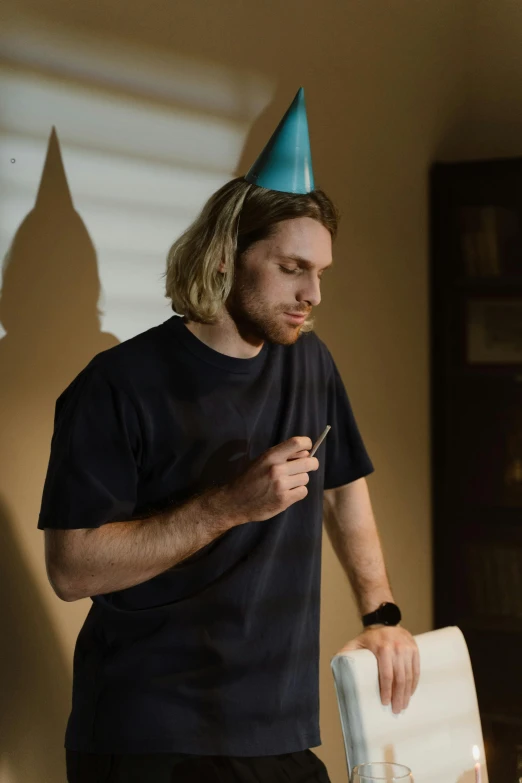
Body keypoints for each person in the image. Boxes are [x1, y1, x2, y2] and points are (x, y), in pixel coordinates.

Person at [38, 89, 420, 783]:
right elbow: (72, 568)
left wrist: (383, 612)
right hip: (150, 737)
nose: (313, 294)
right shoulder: (118, 385)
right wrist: (231, 504)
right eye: (291, 268)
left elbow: (342, 488)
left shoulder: (311, 361)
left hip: (278, 730)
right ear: (224, 256)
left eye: (321, 272)